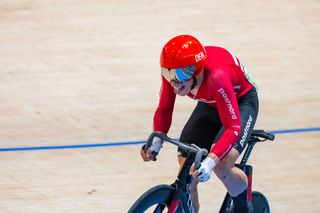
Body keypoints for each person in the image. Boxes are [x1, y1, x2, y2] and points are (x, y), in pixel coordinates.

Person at [140, 35, 258, 213]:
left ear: (197, 70)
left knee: (222, 165)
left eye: (181, 76)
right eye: (168, 73)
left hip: (241, 103)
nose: (175, 84)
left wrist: (210, 162)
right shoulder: (175, 73)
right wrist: (156, 144)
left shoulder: (217, 77)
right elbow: (164, 109)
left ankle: (244, 208)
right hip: (211, 103)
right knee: (187, 170)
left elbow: (233, 128)